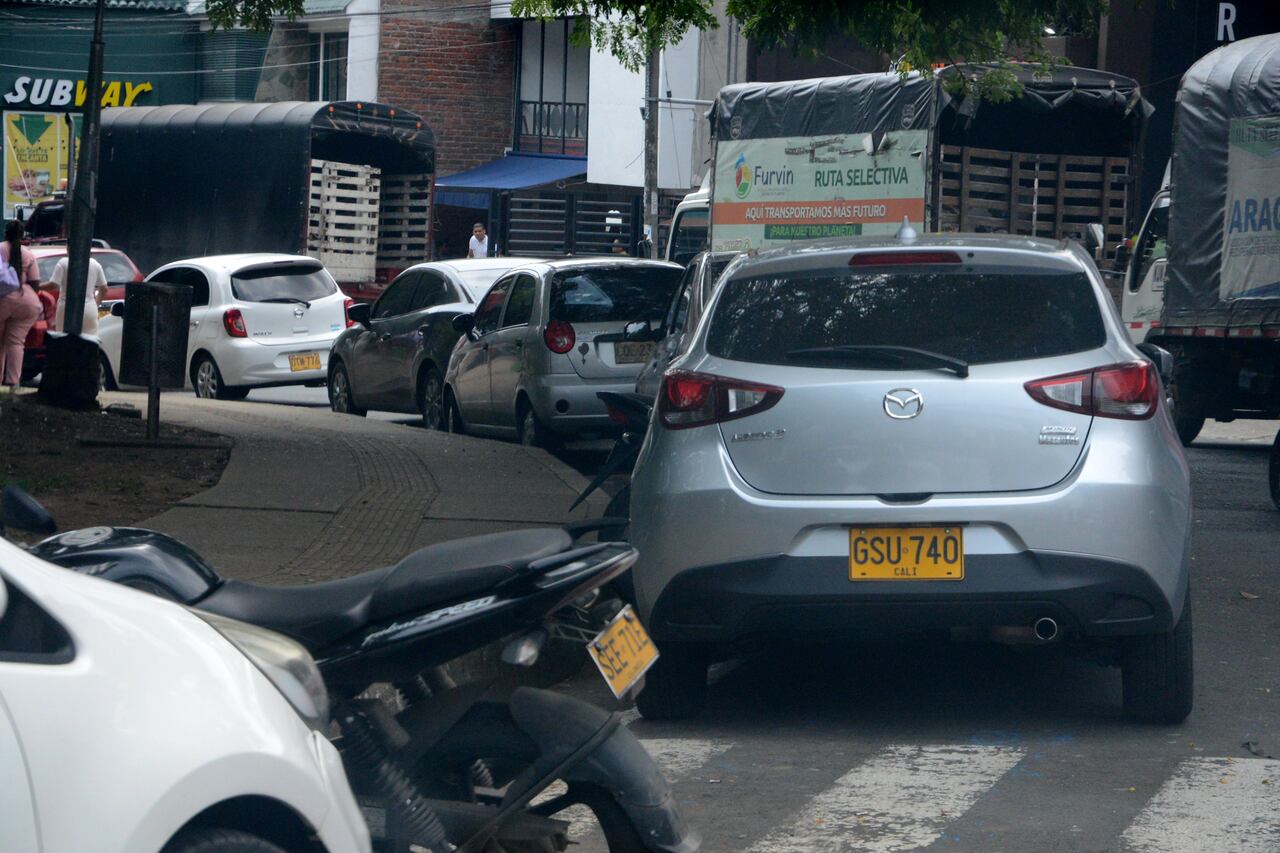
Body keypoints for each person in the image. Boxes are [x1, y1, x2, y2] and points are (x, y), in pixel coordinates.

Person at [0, 220, 42, 391]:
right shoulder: (28, 254)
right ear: (22, 235)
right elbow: (35, 283)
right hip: (27, 302)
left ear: (5, 233)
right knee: (16, 342)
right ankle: (13, 383)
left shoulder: (1, 248)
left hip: (2, 299)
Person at [46, 254, 107, 336]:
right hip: (90, 308)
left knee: (64, 340)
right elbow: (104, 288)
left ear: (68, 248)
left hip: (66, 308)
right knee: (90, 341)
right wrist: (95, 305)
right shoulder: (95, 264)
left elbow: (53, 285)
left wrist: (34, 287)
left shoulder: (63, 262)